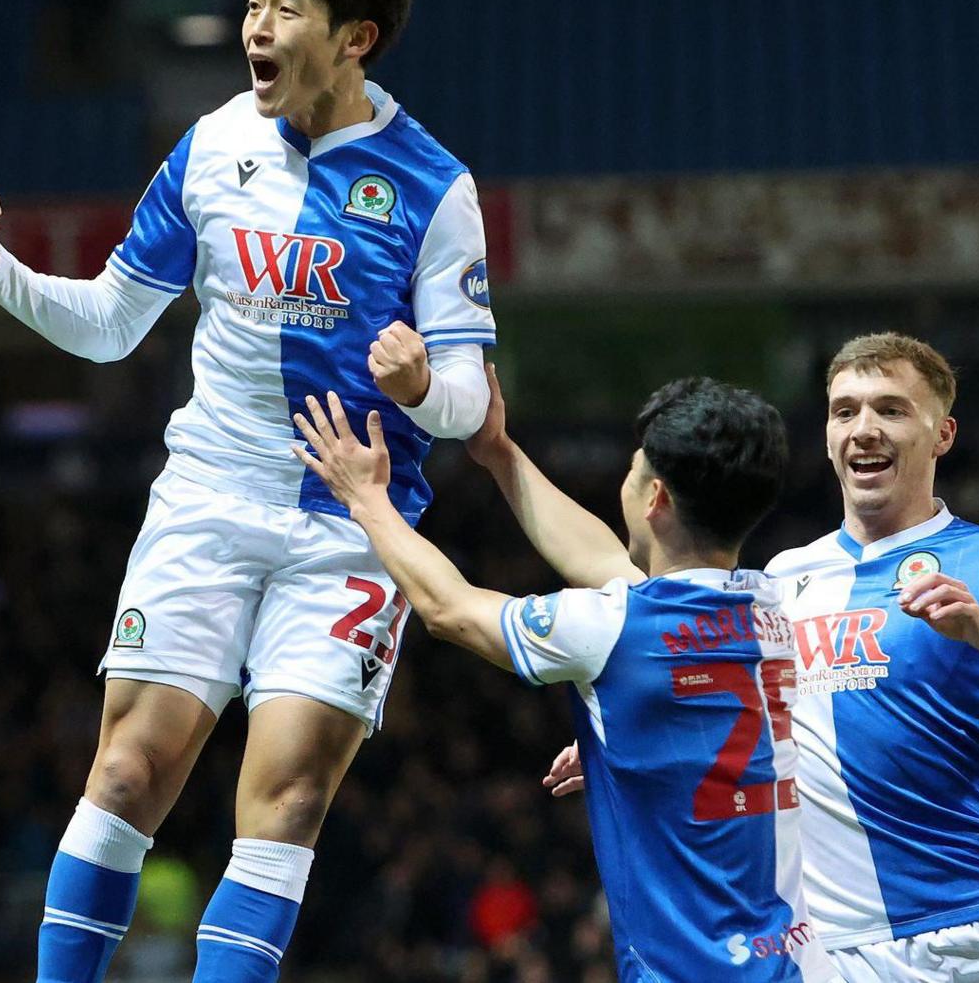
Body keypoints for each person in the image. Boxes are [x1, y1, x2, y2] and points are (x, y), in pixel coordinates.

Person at [0, 0, 496, 983]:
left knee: (286, 793)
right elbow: (108, 325)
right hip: (206, 493)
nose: (254, 25)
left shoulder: (434, 187)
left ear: (353, 37)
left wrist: (424, 379)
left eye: (282, 7)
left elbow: (472, 405)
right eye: (252, 1)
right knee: (128, 770)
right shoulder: (208, 149)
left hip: (349, 521)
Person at [478, 334, 979, 983]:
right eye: (845, 410)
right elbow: (614, 569)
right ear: (826, 435)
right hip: (827, 955)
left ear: (943, 434)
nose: (865, 428)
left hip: (974, 937)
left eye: (891, 408)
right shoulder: (784, 578)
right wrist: (500, 453)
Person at [290, 381, 837, 981]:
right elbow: (606, 565)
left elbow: (451, 610)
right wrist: (498, 451)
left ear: (653, 496)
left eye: (633, 473)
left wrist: (366, 499)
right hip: (796, 963)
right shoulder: (772, 606)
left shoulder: (615, 627)